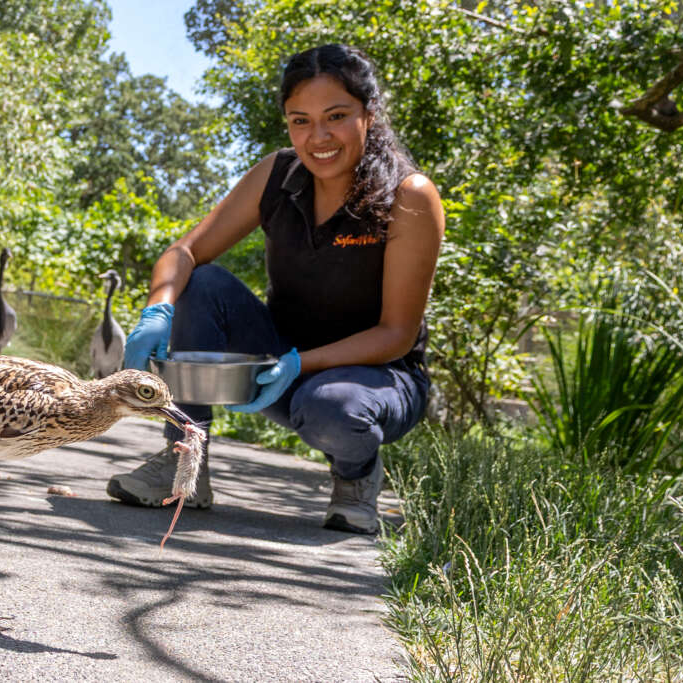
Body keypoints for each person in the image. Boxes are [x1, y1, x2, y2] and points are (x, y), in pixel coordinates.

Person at [106, 44, 445, 534]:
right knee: (200, 283)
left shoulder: (409, 196)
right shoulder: (278, 175)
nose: (318, 137)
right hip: (278, 363)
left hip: (376, 379)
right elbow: (185, 252)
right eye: (300, 120)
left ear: (369, 114)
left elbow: (396, 333)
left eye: (336, 116)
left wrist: (299, 365)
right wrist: (156, 311)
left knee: (332, 408)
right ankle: (185, 465)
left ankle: (356, 477)